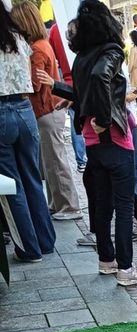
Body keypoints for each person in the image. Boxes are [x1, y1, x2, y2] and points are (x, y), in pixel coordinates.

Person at [70, 0, 137, 286]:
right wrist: (104, 118)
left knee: (102, 205)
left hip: (94, 143)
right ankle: (126, 269)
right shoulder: (111, 51)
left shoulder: (81, 56)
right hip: (114, 139)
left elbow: (83, 91)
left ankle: (107, 260)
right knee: (124, 206)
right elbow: (100, 77)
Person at [10, 2, 82, 222]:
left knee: (55, 161)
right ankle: (58, 203)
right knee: (51, 161)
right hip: (48, 110)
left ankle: (69, 206)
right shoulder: (42, 43)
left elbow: (34, 83)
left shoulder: (38, 48)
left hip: (46, 110)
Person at [0, 1, 55, 263]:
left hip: (1, 112)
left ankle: (29, 248)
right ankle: (45, 241)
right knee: (33, 177)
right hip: (24, 108)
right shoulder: (20, 39)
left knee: (12, 185)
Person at [48, 20, 86, 172]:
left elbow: (54, 56)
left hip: (68, 79)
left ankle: (81, 159)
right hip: (79, 78)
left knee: (76, 120)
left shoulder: (55, 30)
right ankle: (84, 158)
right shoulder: (82, 23)